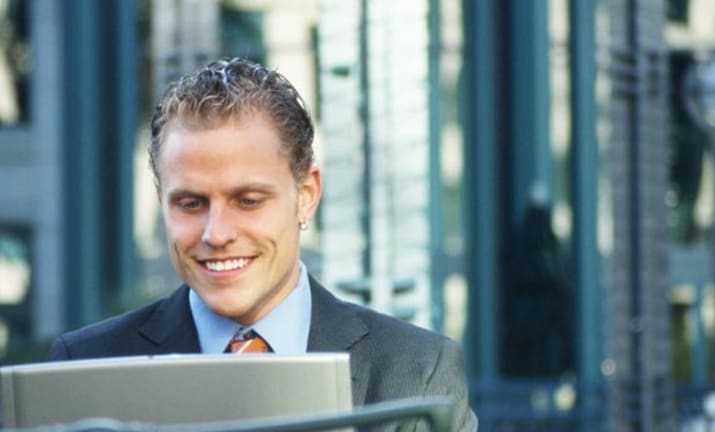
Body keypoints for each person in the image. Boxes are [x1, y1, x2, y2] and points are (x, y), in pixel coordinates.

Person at [48, 57, 477, 431]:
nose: (217, 234)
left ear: (306, 195)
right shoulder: (82, 367)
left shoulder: (416, 373)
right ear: (162, 202)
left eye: (248, 201)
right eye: (191, 204)